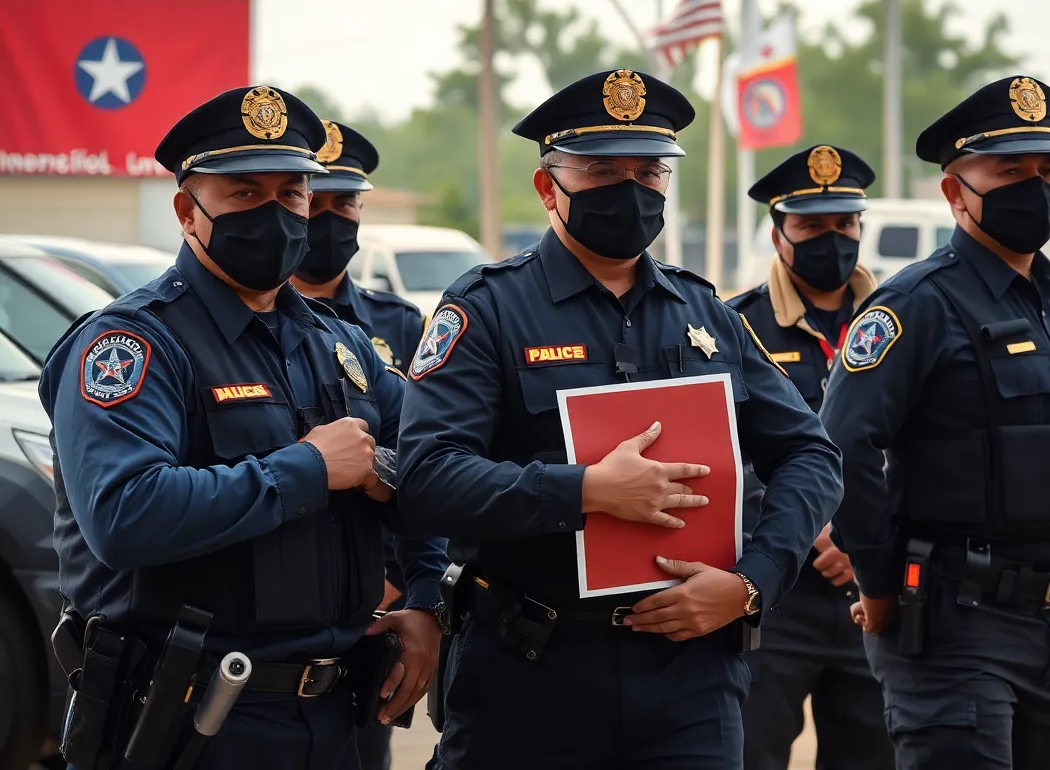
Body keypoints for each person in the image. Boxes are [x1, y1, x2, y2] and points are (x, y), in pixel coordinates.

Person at [389, 68, 843, 770]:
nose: (630, 190)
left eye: (649, 170)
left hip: (692, 680)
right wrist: (583, 491)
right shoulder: (487, 309)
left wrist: (752, 584)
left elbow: (811, 455)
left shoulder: (706, 313)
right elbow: (425, 479)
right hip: (532, 676)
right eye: (601, 169)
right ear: (549, 187)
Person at [39, 86, 444, 769]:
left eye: (291, 194)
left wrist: (428, 596)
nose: (277, 214)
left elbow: (432, 470)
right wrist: (310, 470)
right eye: (244, 194)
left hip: (338, 712)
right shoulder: (132, 345)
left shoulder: (339, 344)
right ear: (187, 211)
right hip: (190, 721)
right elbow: (124, 514)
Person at [819, 75, 1050, 769]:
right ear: (954, 192)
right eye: (1011, 171)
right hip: (953, 628)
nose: (1035, 186)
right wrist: (878, 582)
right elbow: (843, 446)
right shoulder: (916, 304)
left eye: (1047, 169)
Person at [727, 145, 894, 770]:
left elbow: (922, 447)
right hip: (776, 593)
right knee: (748, 754)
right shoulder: (734, 327)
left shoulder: (902, 319)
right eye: (811, 226)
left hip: (874, 591)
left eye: (845, 224)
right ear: (779, 234)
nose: (833, 239)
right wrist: (804, 529)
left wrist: (864, 539)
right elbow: (726, 455)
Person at [290, 119, 444, 770]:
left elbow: (426, 457)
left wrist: (408, 589)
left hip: (373, 607)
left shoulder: (396, 323)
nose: (329, 220)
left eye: (343, 205)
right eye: (314, 202)